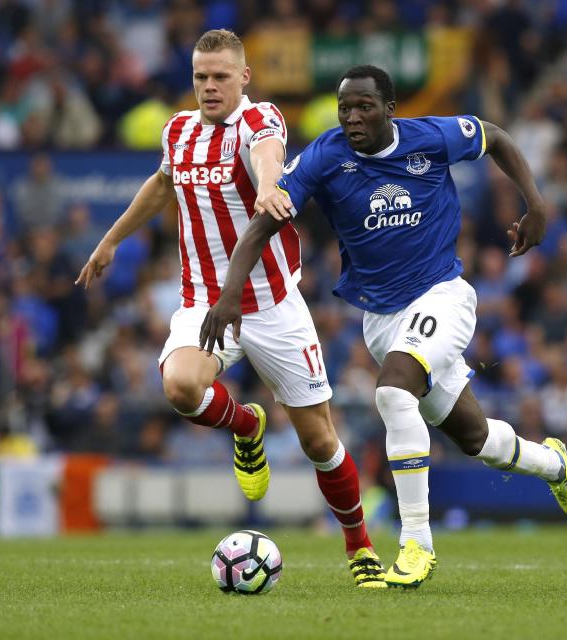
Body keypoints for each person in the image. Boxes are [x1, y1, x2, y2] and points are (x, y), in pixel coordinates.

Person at [200, 65, 567, 589]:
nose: (353, 118)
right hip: (381, 318)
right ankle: (554, 466)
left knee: (392, 392)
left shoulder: (431, 137)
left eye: (364, 107)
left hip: (442, 295)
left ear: (390, 108)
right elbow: (263, 222)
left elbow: (496, 137)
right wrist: (229, 295)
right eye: (345, 108)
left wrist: (536, 203)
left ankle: (416, 544)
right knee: (477, 440)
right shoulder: (324, 156)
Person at [75, 31, 384, 588]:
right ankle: (247, 425)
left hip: (273, 305)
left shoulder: (259, 119)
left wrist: (269, 187)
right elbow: (162, 183)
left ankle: (359, 544)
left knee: (319, 440)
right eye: (200, 77)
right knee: (179, 387)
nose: (209, 87)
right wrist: (111, 239)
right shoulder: (178, 131)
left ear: (243, 77)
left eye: (220, 76)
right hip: (204, 302)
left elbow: (268, 157)